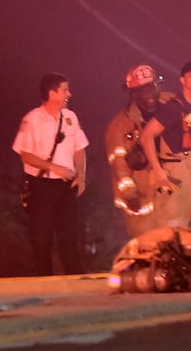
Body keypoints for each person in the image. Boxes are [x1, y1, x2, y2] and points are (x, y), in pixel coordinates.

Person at [13, 72, 89, 274]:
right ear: (52, 93)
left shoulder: (71, 117)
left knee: (69, 237)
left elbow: (80, 147)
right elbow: (25, 155)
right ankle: (44, 285)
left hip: (66, 186)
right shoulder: (32, 120)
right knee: (42, 239)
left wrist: (81, 175)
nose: (69, 94)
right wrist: (54, 168)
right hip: (42, 186)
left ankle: (76, 283)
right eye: (65, 90)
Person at [139, 60, 191, 229]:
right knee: (173, 226)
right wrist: (158, 170)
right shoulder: (173, 107)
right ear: (182, 80)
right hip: (177, 170)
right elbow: (147, 135)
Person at [105, 63, 171, 239]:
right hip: (142, 197)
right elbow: (118, 163)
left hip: (171, 190)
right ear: (133, 93)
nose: (150, 94)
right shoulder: (120, 126)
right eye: (143, 90)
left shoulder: (172, 105)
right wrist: (130, 193)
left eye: (153, 87)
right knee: (147, 245)